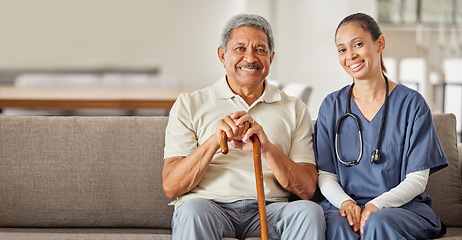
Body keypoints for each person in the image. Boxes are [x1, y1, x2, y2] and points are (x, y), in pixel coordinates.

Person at [162, 13, 325, 240]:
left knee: (309, 212)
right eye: (240, 48)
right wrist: (214, 141)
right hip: (209, 207)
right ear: (222, 55)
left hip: (270, 209)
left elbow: (307, 188)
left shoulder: (294, 108)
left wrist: (267, 148)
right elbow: (171, 186)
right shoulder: (189, 104)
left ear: (271, 57)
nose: (250, 57)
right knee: (191, 211)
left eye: (260, 49)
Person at [314, 12, 448, 239]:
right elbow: (326, 174)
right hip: (346, 206)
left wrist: (377, 205)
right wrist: (345, 202)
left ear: (380, 43)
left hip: (400, 208)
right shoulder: (331, 106)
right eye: (342, 49)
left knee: (378, 222)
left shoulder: (411, 104)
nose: (351, 56)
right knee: (338, 225)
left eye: (358, 44)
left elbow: (417, 179)